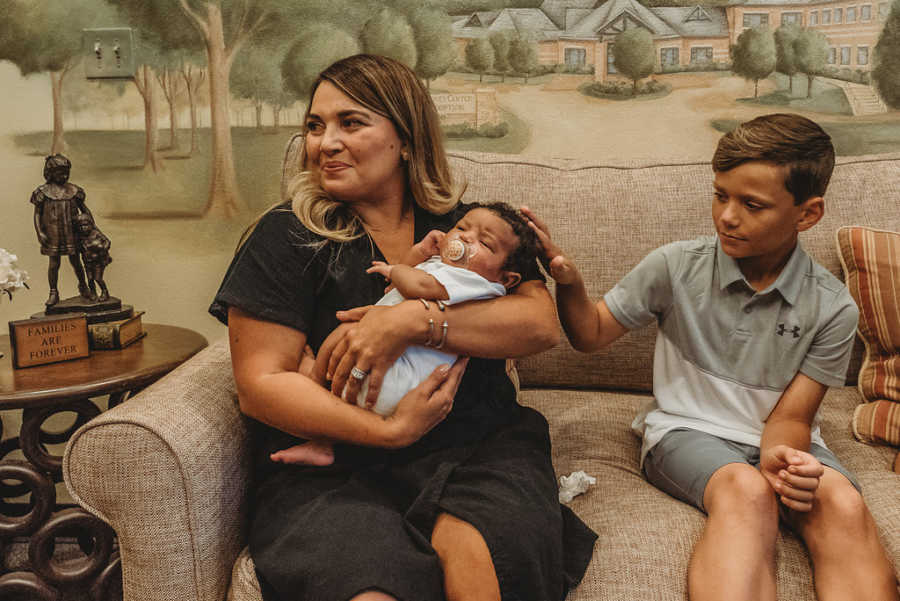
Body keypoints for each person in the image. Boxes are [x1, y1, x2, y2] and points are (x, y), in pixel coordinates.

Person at [209, 54, 596, 601]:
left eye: (351, 122)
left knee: (484, 568)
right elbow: (261, 386)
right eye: (315, 127)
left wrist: (411, 321)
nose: (325, 143)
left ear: (407, 139)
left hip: (476, 444)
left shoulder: (465, 230)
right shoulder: (285, 236)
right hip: (333, 463)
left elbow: (537, 324)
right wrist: (389, 433)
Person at [523, 113, 899, 601]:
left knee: (843, 503)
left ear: (807, 214)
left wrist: (790, 465)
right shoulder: (675, 266)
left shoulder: (833, 307)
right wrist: (568, 282)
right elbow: (591, 335)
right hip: (685, 431)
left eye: (752, 204)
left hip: (781, 436)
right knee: (748, 491)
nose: (727, 215)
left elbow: (791, 419)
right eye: (721, 195)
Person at [270, 202, 542, 466]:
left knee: (346, 332)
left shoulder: (479, 284)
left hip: (399, 380)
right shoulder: (446, 269)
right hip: (393, 382)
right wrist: (419, 252)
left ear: (507, 279)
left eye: (485, 243)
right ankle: (326, 445)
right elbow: (396, 286)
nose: (466, 239)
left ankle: (314, 378)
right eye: (461, 228)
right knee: (350, 339)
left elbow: (417, 285)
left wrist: (395, 269)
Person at [31, 154, 93, 306]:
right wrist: (40, 233)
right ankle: (53, 292)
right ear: (50, 173)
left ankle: (83, 286)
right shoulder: (43, 192)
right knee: (54, 264)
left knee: (76, 261)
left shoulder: (74, 190)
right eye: (60, 173)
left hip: (72, 233)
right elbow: (37, 214)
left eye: (66, 172)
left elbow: (85, 211)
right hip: (53, 234)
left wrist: (91, 229)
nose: (64, 176)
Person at [74, 212, 112, 302]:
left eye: (85, 225)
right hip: (87, 262)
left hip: (98, 261)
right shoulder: (80, 237)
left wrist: (103, 249)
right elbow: (79, 248)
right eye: (81, 226)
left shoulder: (96, 233)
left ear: (90, 224)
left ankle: (104, 291)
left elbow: (107, 241)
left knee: (98, 278)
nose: (83, 228)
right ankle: (93, 293)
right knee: (90, 279)